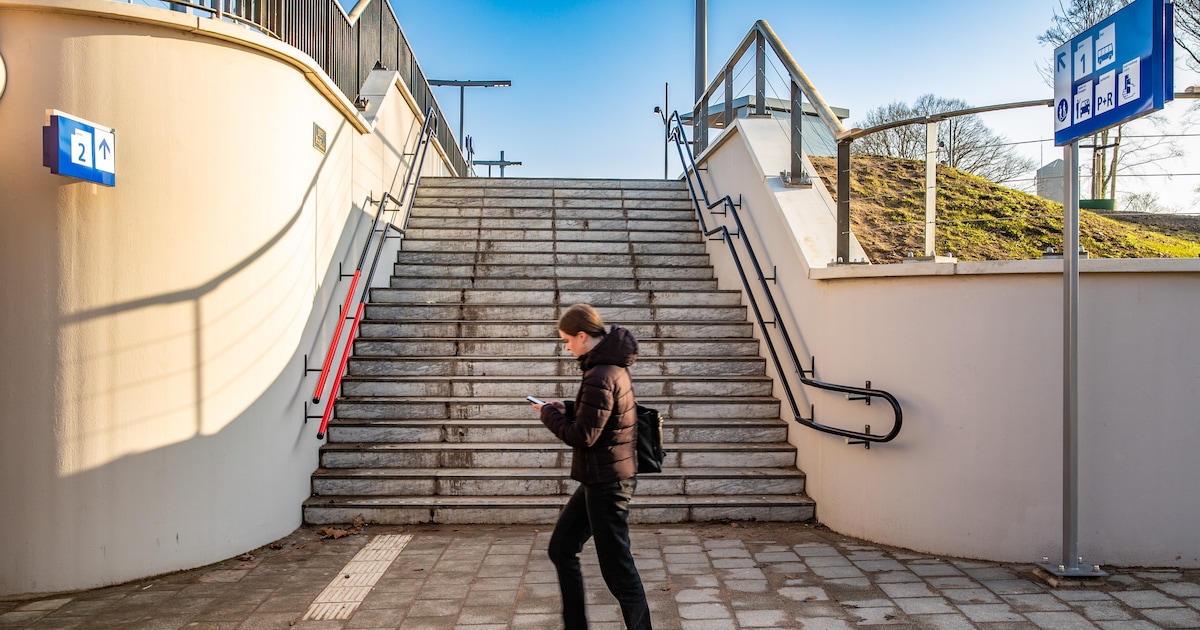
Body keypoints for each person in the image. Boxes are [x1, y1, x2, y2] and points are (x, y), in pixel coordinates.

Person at [530, 304, 652, 630]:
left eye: (567, 340)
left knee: (619, 572)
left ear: (582, 336)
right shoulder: (608, 367)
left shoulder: (600, 373)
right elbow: (604, 413)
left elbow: (583, 436)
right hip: (599, 478)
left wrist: (548, 415)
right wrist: (568, 407)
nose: (567, 347)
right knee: (562, 548)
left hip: (608, 484)